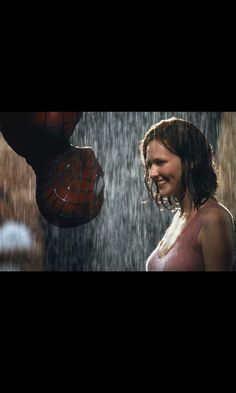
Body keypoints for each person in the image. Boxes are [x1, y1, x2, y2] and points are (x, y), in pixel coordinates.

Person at [139, 117, 235, 271]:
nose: (152, 173)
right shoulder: (179, 217)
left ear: (192, 160)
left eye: (160, 162)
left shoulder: (213, 219)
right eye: (149, 164)